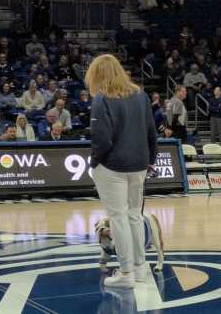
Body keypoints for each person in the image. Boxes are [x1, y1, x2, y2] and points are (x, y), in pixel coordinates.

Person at [85, 54, 158, 289]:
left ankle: (125, 272)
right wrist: (151, 159)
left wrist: (94, 162)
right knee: (135, 215)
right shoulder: (141, 95)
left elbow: (101, 139)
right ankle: (139, 268)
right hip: (139, 165)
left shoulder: (101, 99)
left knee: (118, 218)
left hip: (113, 166)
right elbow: (151, 132)